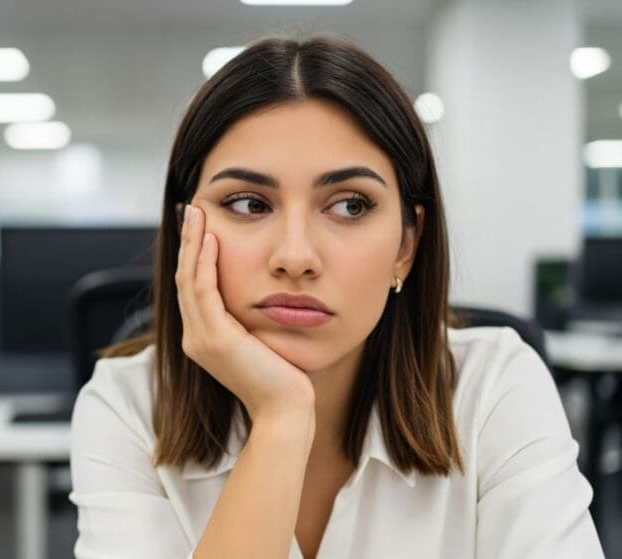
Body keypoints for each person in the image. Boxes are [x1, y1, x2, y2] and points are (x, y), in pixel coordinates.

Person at [68, 34, 603, 559]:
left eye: (350, 206)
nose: (296, 256)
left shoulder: (494, 388)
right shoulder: (130, 405)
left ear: (406, 246)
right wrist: (281, 418)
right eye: (250, 203)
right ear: (187, 229)